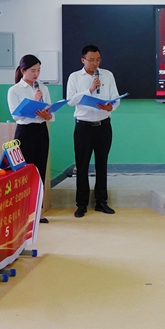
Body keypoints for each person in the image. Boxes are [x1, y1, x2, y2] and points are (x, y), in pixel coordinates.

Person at [66, 45, 121, 217]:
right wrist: (89, 90)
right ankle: (81, 204)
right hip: (83, 126)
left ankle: (101, 202)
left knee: (102, 164)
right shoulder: (75, 77)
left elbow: (116, 98)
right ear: (83, 60)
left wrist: (111, 106)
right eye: (91, 60)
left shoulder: (108, 75)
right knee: (82, 166)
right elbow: (70, 100)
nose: (95, 63)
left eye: (98, 60)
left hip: (103, 126)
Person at [7, 54, 53, 223]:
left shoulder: (43, 88)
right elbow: (16, 116)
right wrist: (34, 102)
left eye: (38, 70)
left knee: (39, 171)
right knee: (24, 173)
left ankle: (38, 212)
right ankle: (22, 212)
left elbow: (51, 113)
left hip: (41, 130)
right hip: (25, 133)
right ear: (23, 70)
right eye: (33, 70)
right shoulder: (14, 90)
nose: (36, 74)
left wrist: (47, 115)